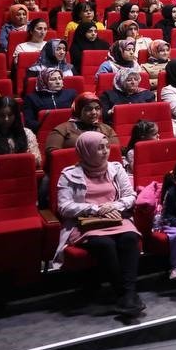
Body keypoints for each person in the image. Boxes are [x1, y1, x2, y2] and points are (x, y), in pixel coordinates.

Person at [55, 131, 144, 315]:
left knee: (129, 238)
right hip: (87, 224)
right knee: (105, 244)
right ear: (86, 151)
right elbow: (64, 207)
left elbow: (130, 196)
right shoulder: (69, 175)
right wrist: (93, 209)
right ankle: (127, 294)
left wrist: (113, 205)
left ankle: (126, 296)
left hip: (116, 218)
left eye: (106, 147)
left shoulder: (116, 168)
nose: (105, 152)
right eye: (99, 148)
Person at [46, 93, 120, 152]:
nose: (94, 112)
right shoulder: (62, 129)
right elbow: (53, 154)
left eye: (97, 108)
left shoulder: (106, 129)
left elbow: (116, 151)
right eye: (88, 109)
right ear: (78, 110)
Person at [22, 66, 78, 133]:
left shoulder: (71, 94)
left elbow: (78, 114)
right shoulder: (32, 98)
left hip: (69, 130)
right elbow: (29, 121)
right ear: (44, 81)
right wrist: (45, 127)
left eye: (60, 78)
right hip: (44, 131)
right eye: (53, 79)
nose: (58, 82)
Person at [0, 94, 41, 167]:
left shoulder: (27, 133)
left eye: (10, 115)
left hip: (22, 173)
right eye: (1, 115)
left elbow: (36, 161)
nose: (6, 119)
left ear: (16, 116)